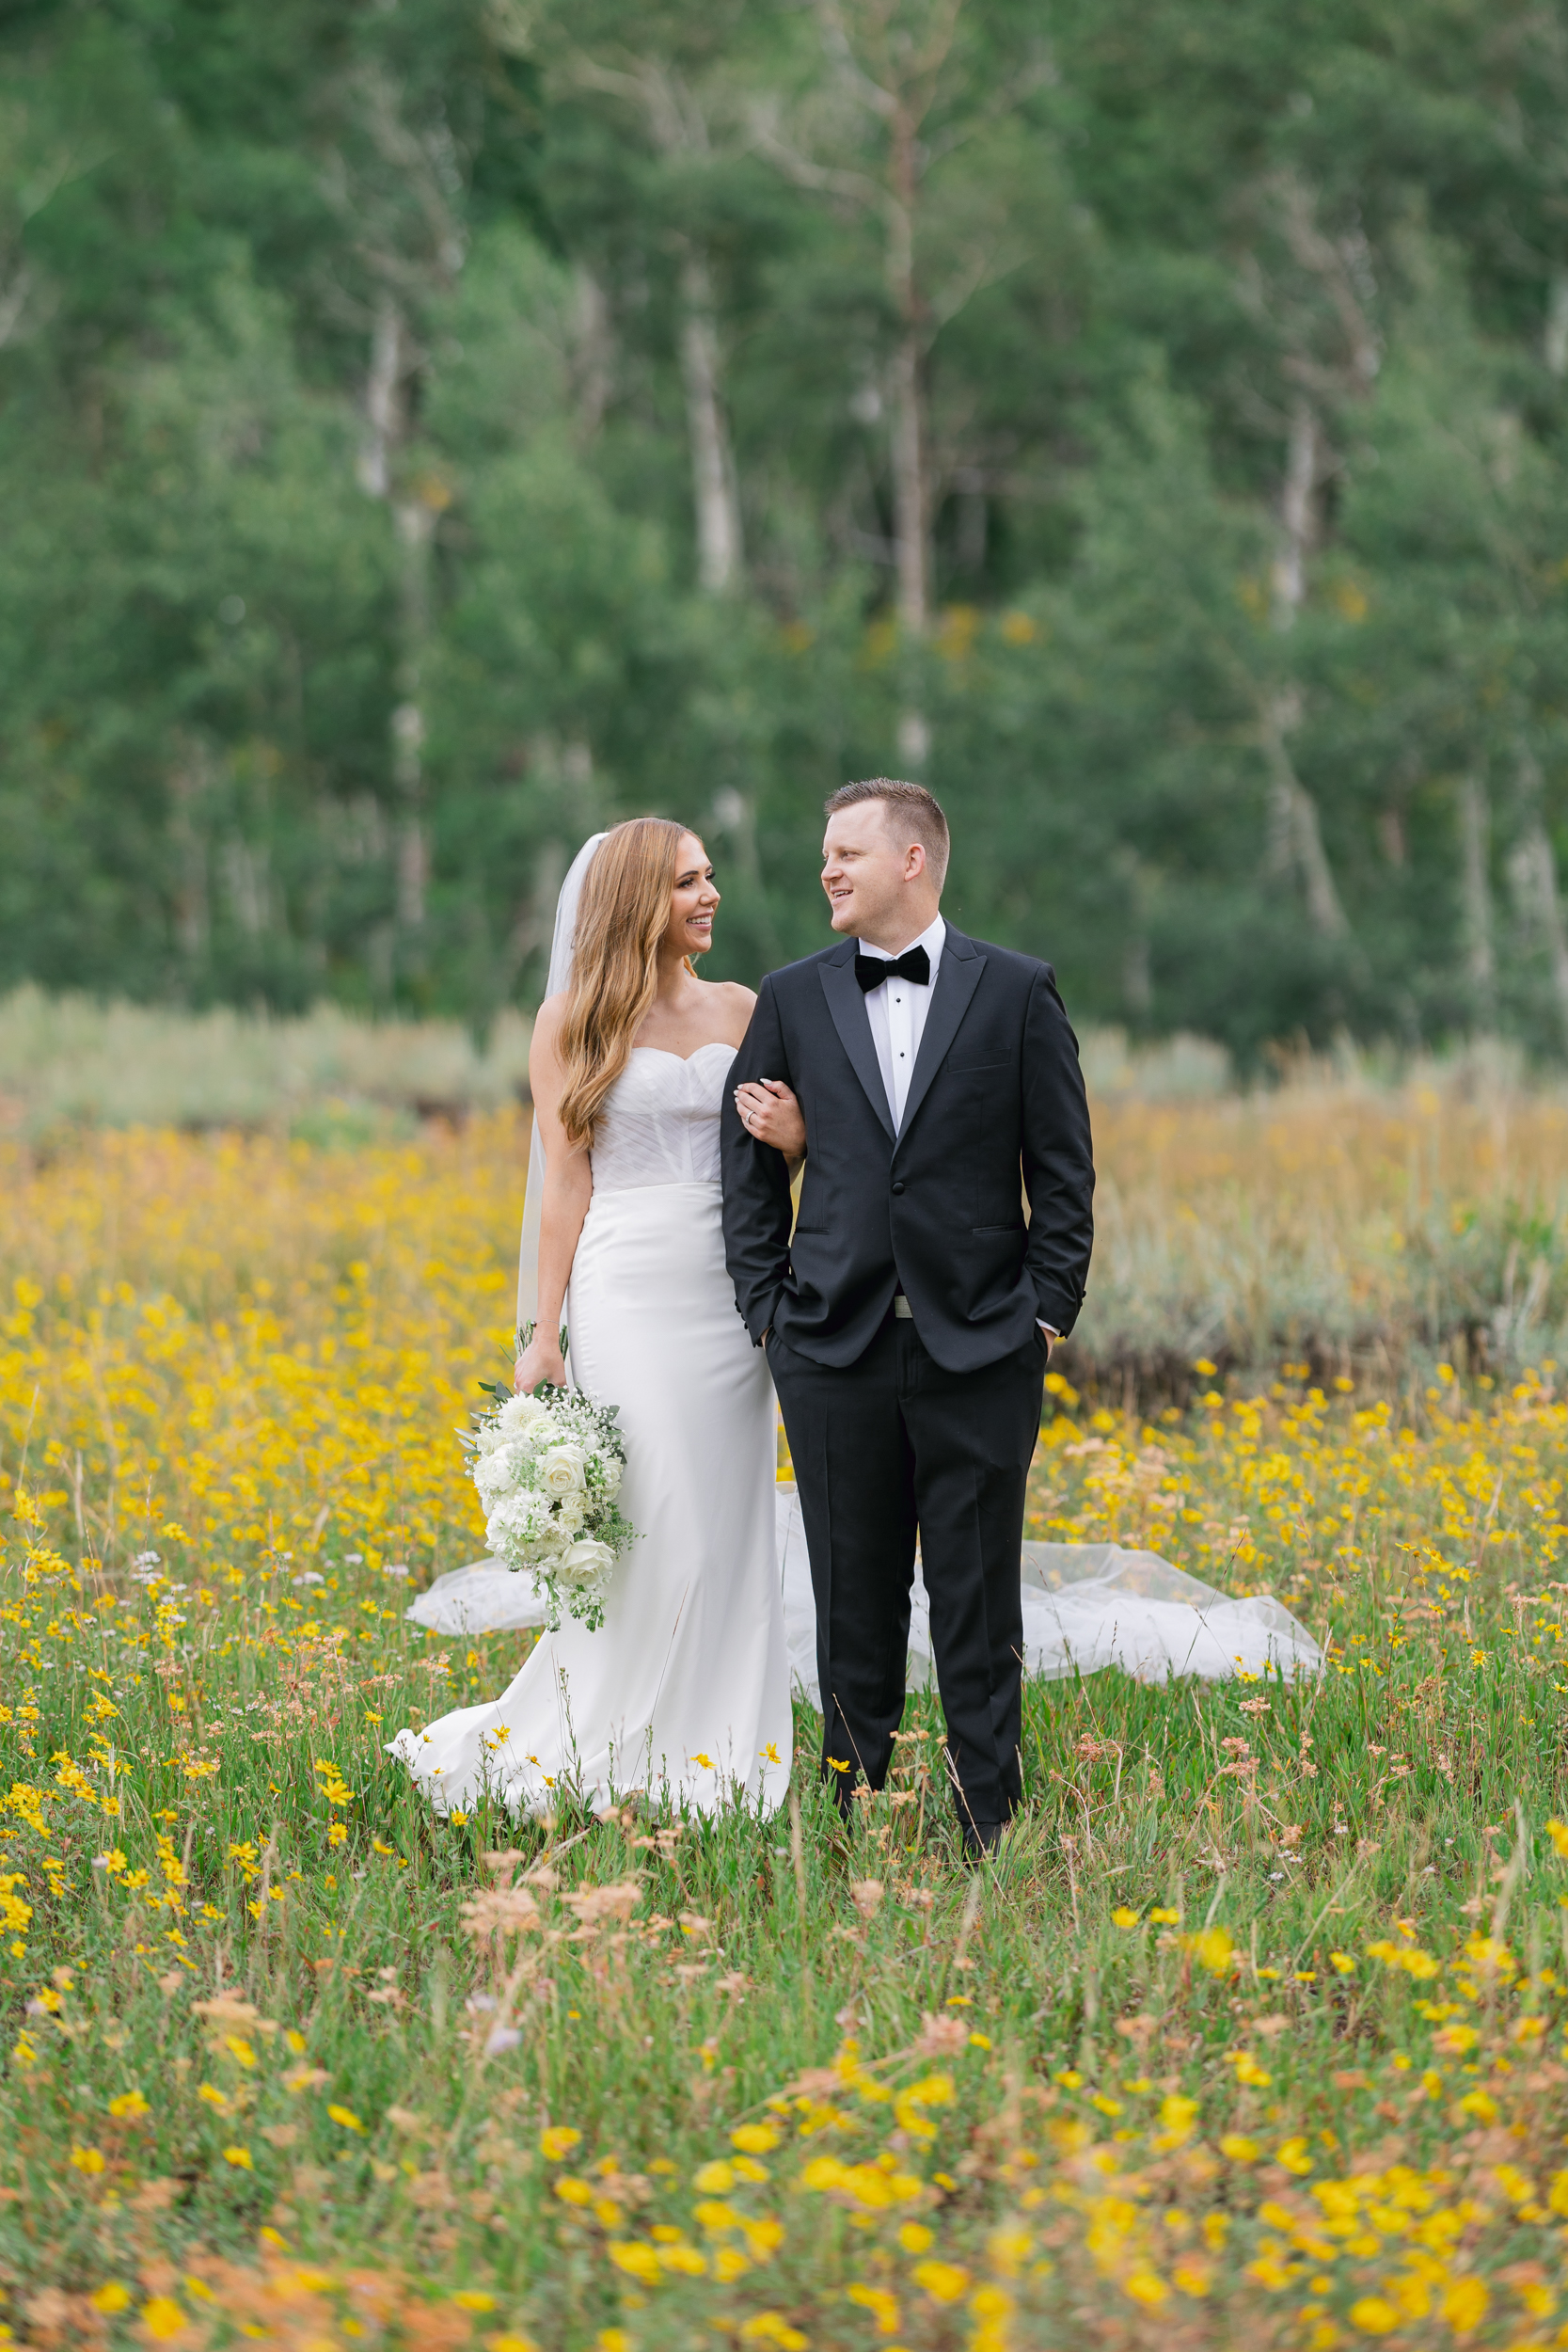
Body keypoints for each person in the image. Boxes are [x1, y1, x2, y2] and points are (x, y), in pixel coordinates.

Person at [388, 818, 794, 1817]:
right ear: (632, 901)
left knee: (728, 1517)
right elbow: (563, 1182)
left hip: (734, 1289)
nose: (709, 896)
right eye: (686, 882)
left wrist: (793, 1140)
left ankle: (723, 1750)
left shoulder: (747, 1007)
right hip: (626, 1287)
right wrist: (541, 1333)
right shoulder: (569, 1021)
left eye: (708, 878)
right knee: (656, 1522)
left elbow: (790, 1152)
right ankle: (604, 1738)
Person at [722, 778, 1096, 1858]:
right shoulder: (789, 998)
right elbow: (743, 1171)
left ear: (912, 862)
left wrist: (1045, 1316)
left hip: (981, 1342)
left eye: (846, 852)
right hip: (830, 1347)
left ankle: (988, 1822)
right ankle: (850, 1815)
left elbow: (1062, 1172)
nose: (827, 871)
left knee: (978, 1601)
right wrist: (767, 1311)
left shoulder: (1017, 991)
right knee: (851, 1595)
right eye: (824, 854)